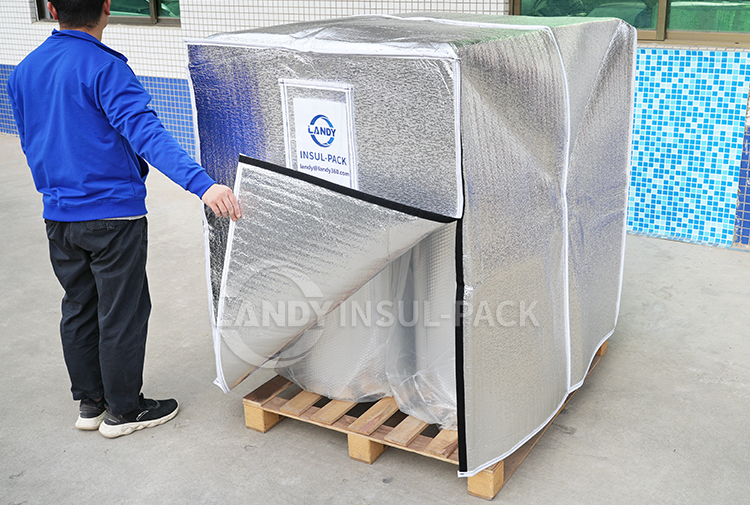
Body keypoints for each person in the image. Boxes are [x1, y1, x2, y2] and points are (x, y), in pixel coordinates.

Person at [7, 0, 242, 438]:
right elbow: (147, 134)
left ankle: (91, 404)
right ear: (107, 7)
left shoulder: (24, 71)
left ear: (52, 9)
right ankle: (124, 410)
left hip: (58, 215)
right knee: (121, 312)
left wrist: (57, 189)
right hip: (113, 215)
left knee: (79, 306)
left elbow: (30, 140)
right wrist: (203, 185)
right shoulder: (105, 67)